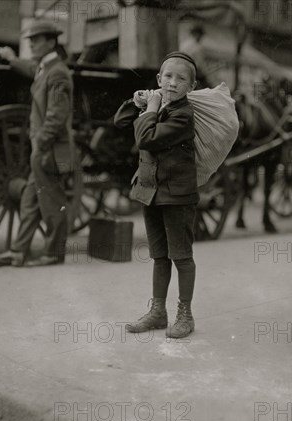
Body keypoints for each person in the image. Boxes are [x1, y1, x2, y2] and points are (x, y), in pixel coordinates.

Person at [113, 52, 199, 339]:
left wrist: (150, 108)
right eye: (168, 77)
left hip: (177, 196)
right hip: (151, 193)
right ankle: (158, 312)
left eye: (181, 78)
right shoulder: (159, 106)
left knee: (181, 257)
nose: (173, 83)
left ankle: (185, 315)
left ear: (192, 86)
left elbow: (146, 138)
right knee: (159, 256)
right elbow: (120, 121)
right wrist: (136, 102)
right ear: (159, 79)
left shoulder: (183, 115)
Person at [0, 20, 74, 267]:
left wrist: (41, 144)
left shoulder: (57, 72)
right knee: (29, 199)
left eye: (36, 41)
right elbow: (31, 68)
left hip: (51, 149)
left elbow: (57, 116)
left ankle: (54, 254)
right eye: (31, 41)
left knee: (52, 202)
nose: (32, 45)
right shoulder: (45, 68)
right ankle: (18, 251)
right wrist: (11, 59)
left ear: (50, 42)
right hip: (43, 148)